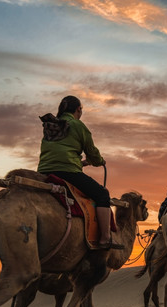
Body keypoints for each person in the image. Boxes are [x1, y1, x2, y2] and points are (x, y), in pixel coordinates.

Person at [37, 95, 122, 250]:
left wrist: (81, 163)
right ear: (78, 109)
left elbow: (60, 152)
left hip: (44, 170)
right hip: (67, 171)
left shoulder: (51, 126)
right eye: (81, 110)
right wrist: (99, 161)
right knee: (102, 194)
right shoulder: (77, 125)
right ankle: (105, 238)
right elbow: (92, 152)